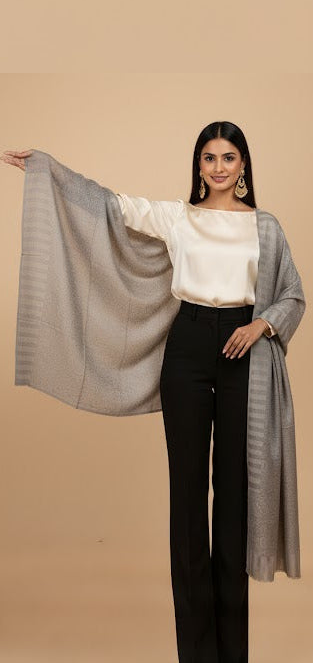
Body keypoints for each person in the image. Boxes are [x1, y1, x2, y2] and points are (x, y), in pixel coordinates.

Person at [1, 119, 305, 663]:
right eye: (208, 158)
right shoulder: (177, 218)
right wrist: (47, 169)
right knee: (187, 500)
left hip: (245, 356)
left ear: (243, 167)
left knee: (233, 500)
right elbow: (111, 205)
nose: (217, 167)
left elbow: (293, 296)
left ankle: (233, 652)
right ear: (199, 166)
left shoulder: (266, 227)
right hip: (186, 350)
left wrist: (260, 326)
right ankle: (196, 652)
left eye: (228, 158)